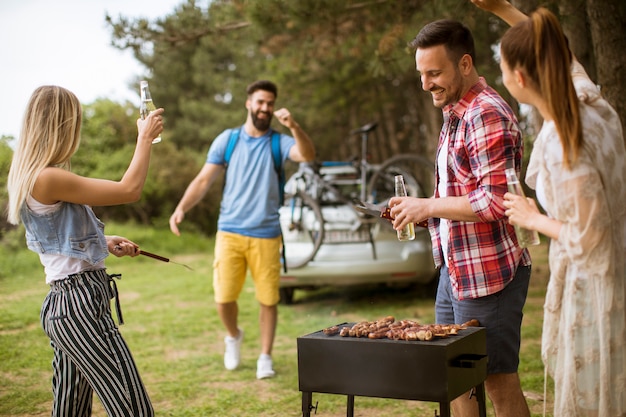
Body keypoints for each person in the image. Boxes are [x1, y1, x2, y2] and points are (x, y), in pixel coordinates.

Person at [470, 1, 626, 415]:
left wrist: (533, 218)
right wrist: (503, 9)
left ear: (519, 78)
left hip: (596, 289)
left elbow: (590, 238)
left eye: (502, 69)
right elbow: (562, 54)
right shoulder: (592, 102)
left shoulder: (564, 140)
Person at [389, 19, 532, 417]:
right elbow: (462, 192)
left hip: (492, 276)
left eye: (434, 73)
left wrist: (428, 206)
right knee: (454, 377)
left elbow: (497, 201)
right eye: (421, 74)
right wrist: (418, 212)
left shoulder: (485, 114)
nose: (425, 83)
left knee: (498, 383)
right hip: (457, 272)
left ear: (465, 63)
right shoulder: (456, 111)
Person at [6, 85, 164, 416]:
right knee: (133, 409)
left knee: (70, 411)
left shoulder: (32, 175)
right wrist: (144, 138)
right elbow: (129, 190)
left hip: (65, 306)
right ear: (60, 124)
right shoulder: (47, 177)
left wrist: (101, 241)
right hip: (80, 307)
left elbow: (55, 238)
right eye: (75, 120)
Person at [169, 80, 315, 380]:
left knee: (268, 300)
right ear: (248, 103)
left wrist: (294, 126)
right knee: (223, 298)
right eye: (260, 102)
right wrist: (182, 207)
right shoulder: (228, 139)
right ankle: (234, 336)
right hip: (230, 232)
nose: (265, 108)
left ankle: (265, 356)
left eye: (270, 103)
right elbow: (203, 180)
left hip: (266, 234)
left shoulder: (279, 141)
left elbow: (307, 155)